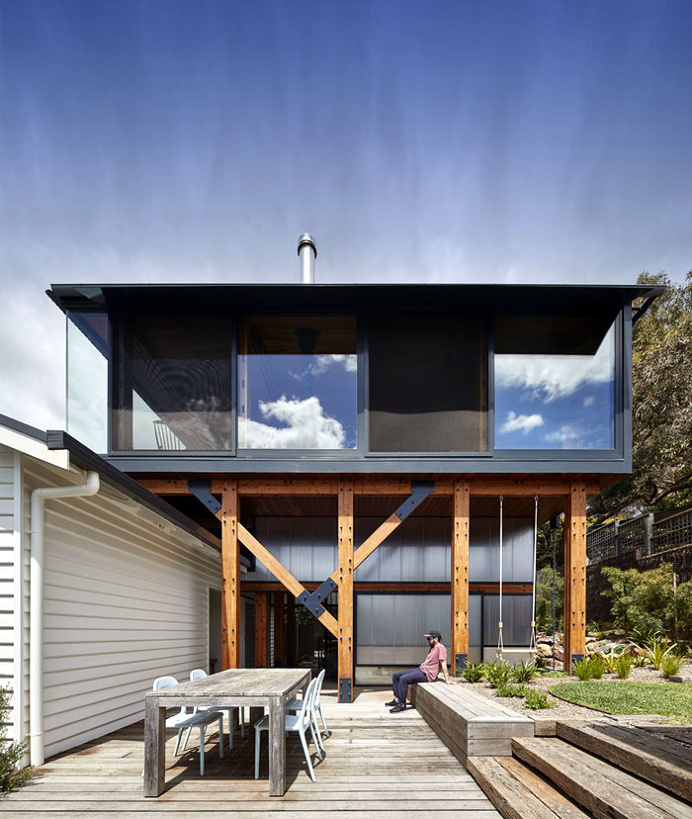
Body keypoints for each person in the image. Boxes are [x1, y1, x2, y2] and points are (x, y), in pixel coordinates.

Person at [386, 630, 451, 713]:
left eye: (429, 639)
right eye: (427, 639)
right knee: (396, 675)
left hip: (427, 674)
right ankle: (397, 699)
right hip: (421, 670)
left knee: (403, 679)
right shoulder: (433, 648)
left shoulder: (441, 648)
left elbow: (443, 663)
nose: (428, 641)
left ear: (436, 639)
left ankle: (402, 704)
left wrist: (447, 679)